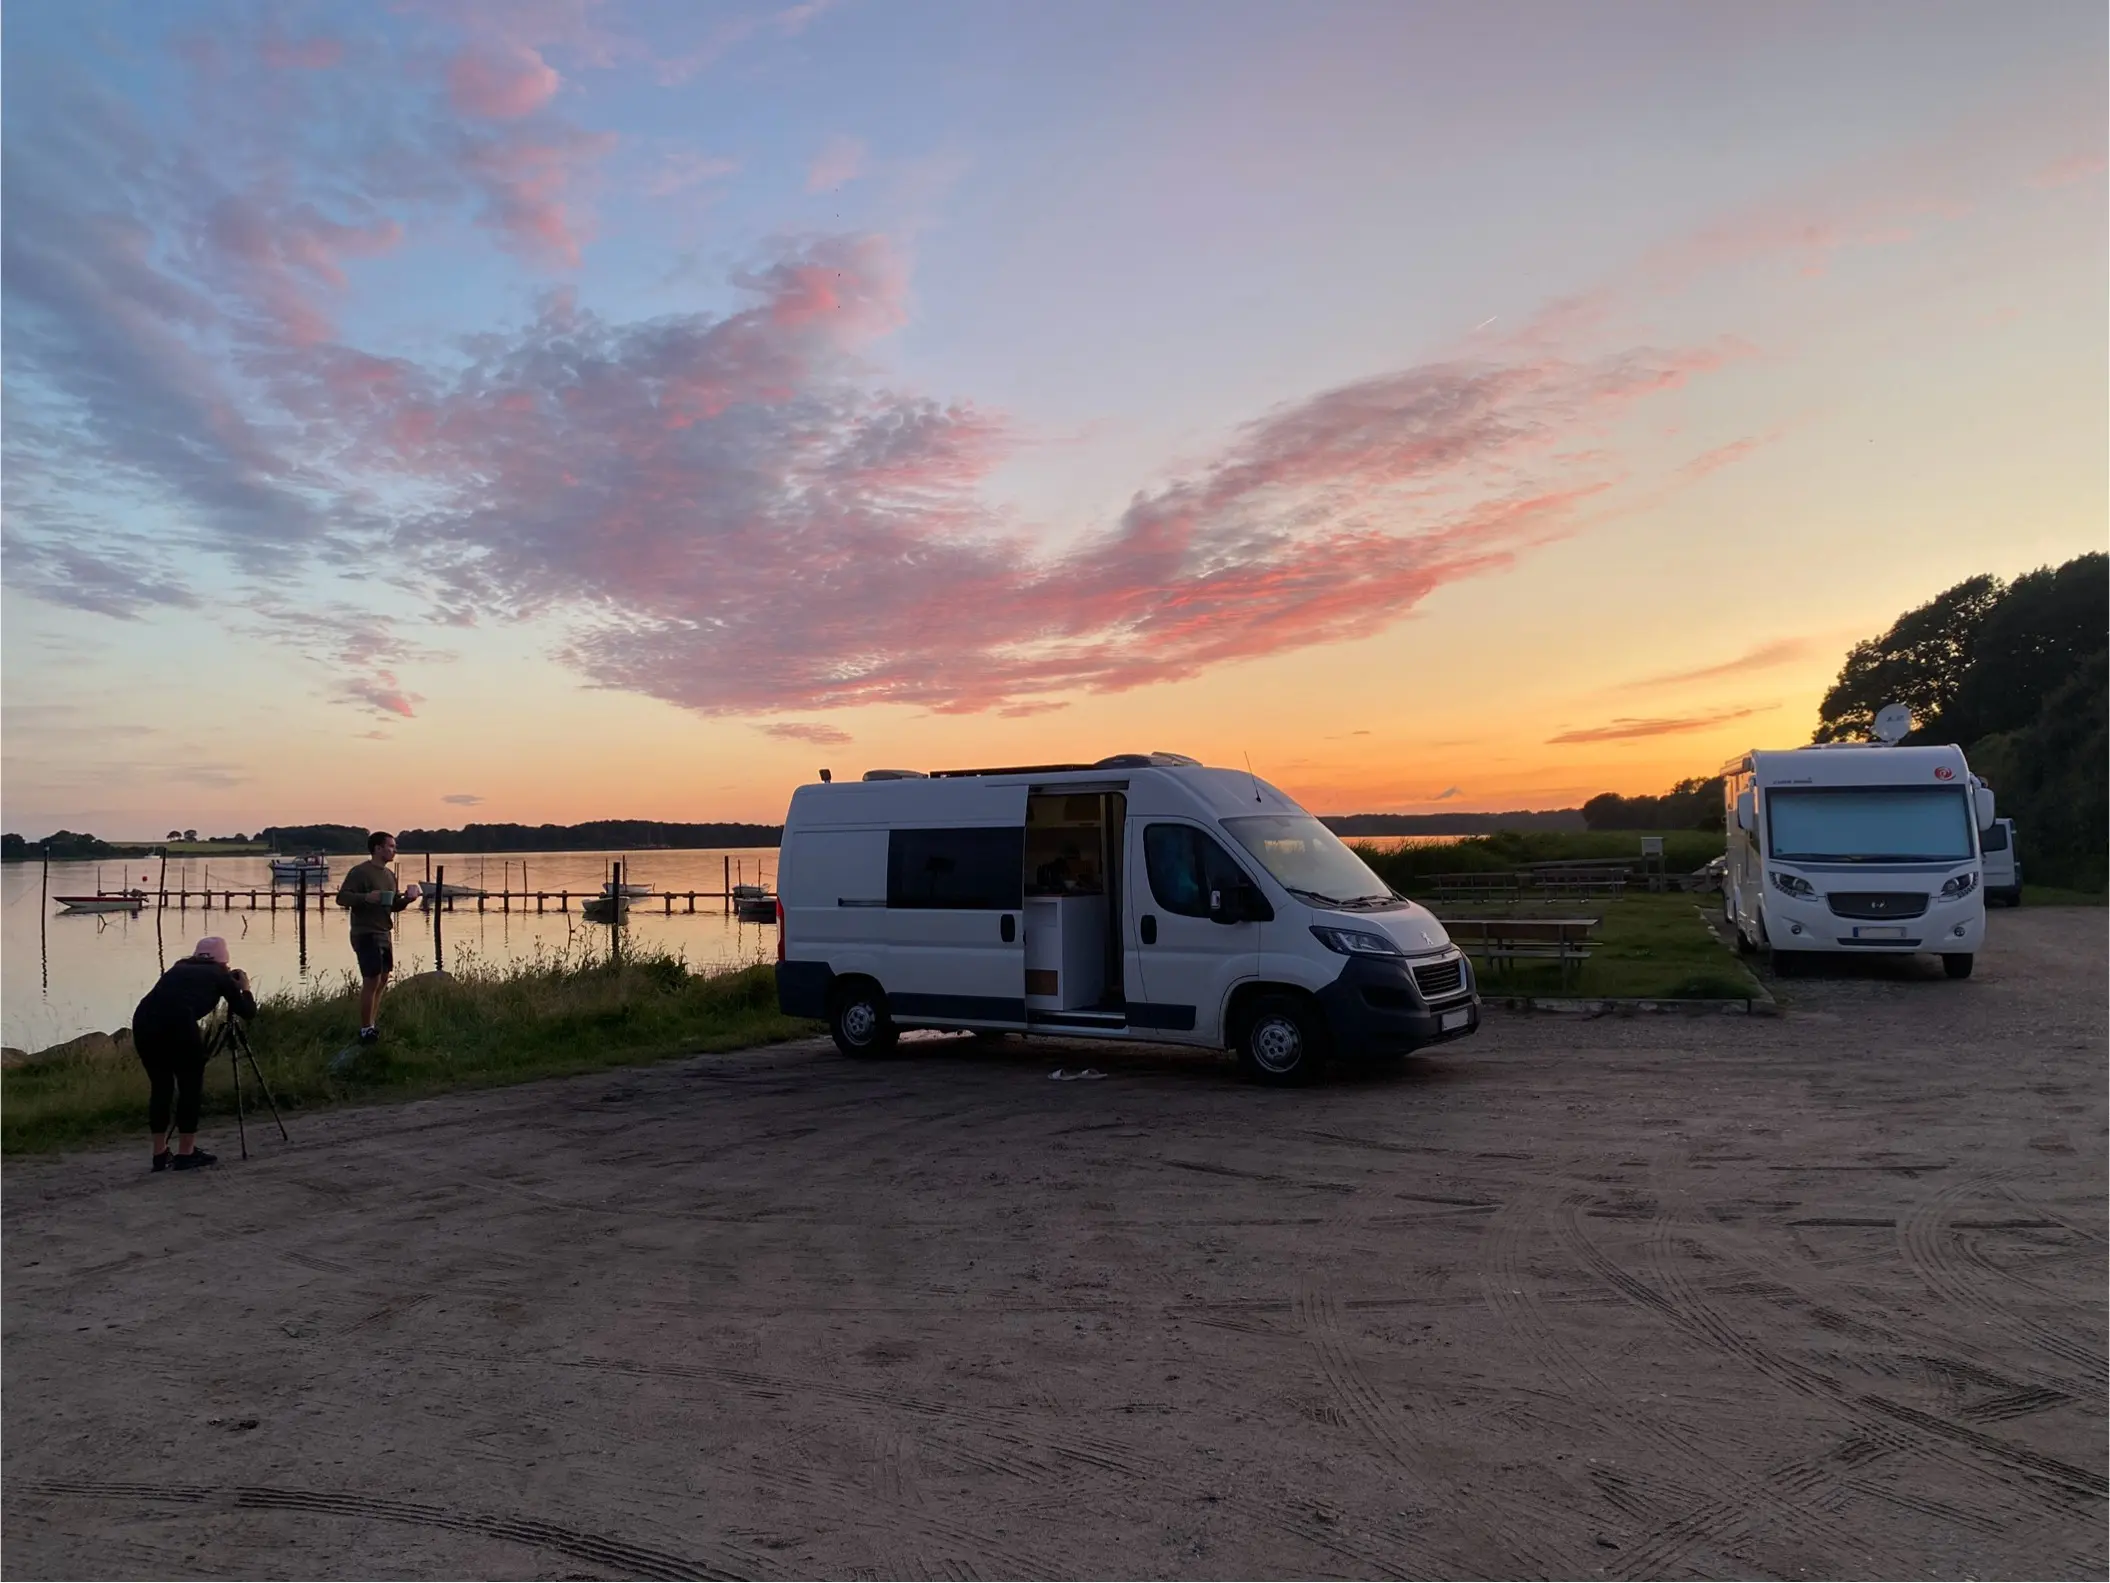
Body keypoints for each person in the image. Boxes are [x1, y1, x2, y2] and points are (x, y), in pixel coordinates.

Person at [133, 936, 257, 1172]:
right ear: (225, 961)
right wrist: (245, 989)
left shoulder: (178, 968)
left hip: (144, 1022)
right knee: (189, 1088)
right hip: (179, 1026)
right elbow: (247, 1012)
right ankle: (185, 1153)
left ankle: (159, 1154)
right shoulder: (220, 975)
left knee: (161, 1087)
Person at [336, 830, 421, 1044]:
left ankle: (372, 1024)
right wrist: (366, 897)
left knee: (383, 979)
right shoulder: (360, 872)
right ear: (377, 848)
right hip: (365, 932)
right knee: (371, 979)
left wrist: (408, 900)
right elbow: (342, 898)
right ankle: (365, 1029)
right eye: (390, 846)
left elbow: (391, 906)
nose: (394, 850)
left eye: (394, 847)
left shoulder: (389, 875)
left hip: (384, 931)